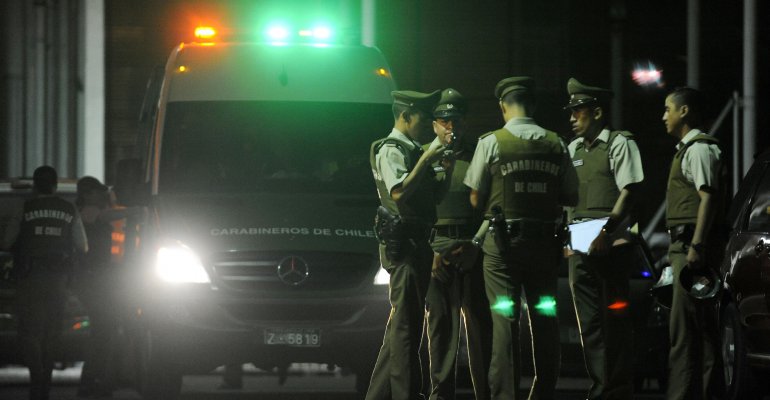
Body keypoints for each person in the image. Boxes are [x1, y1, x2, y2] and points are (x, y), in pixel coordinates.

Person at [464, 77, 578, 400]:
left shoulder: (492, 142)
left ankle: (505, 395)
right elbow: (571, 195)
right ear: (534, 105)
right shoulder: (557, 144)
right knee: (545, 316)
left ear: (503, 106)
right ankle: (544, 392)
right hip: (544, 247)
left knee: (504, 318)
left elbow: (475, 197)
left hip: (503, 248)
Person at [563, 78, 644, 400]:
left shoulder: (619, 144)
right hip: (580, 242)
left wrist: (607, 231)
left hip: (611, 244)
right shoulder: (572, 149)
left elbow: (630, 190)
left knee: (615, 320)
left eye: (578, 110)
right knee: (589, 323)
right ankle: (600, 388)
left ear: (596, 112)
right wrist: (568, 240)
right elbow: (568, 200)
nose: (572, 117)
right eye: (570, 111)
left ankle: (618, 389)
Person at [367, 89, 447, 400]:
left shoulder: (411, 149)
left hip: (417, 242)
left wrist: (444, 168)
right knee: (405, 330)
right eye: (423, 118)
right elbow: (398, 192)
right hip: (405, 245)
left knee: (401, 328)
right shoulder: (393, 149)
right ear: (405, 116)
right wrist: (427, 158)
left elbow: (432, 197)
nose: (427, 124)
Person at [423, 88, 492, 400]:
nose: (451, 126)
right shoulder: (422, 156)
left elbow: (492, 206)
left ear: (466, 122)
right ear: (434, 124)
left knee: (480, 326)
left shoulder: (481, 153)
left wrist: (476, 244)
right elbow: (413, 210)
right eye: (444, 120)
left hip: (472, 245)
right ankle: (441, 395)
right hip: (437, 244)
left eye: (456, 120)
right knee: (440, 328)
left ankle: (486, 394)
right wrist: (429, 251)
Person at [2, 166, 88, 400]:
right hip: (58, 281)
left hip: (30, 280)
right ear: (55, 185)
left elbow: (7, 242)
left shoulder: (25, 208)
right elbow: (83, 246)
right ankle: (46, 381)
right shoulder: (69, 209)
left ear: (35, 185)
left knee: (30, 333)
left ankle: (36, 378)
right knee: (52, 332)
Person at [662, 86, 724, 400]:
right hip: (685, 246)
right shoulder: (688, 149)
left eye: (668, 109)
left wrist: (697, 245)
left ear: (684, 111)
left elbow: (707, 197)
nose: (664, 116)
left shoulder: (698, 149)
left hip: (690, 247)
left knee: (686, 333)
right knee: (697, 330)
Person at [75, 176, 144, 398]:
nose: (102, 195)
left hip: (99, 280)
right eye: (98, 192)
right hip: (93, 281)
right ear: (87, 194)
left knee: (104, 332)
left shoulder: (93, 211)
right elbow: (105, 216)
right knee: (102, 332)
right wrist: (135, 211)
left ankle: (96, 381)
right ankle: (92, 382)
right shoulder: (86, 212)